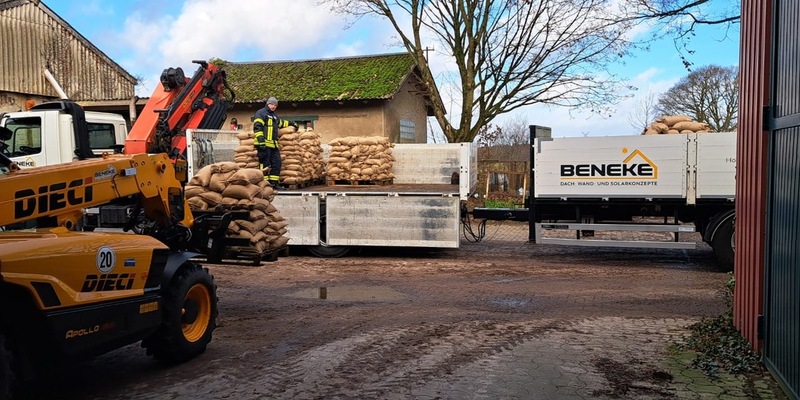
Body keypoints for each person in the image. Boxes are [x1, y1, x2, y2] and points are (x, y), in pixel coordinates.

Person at [252, 97, 297, 187]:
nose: (273, 106)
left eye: (275, 105)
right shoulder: (261, 113)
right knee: (264, 164)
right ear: (268, 104)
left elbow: (281, 123)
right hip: (263, 144)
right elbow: (257, 127)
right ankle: (264, 183)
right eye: (272, 104)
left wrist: (291, 123)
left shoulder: (275, 116)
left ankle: (274, 183)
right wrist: (261, 141)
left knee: (277, 163)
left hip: (273, 145)